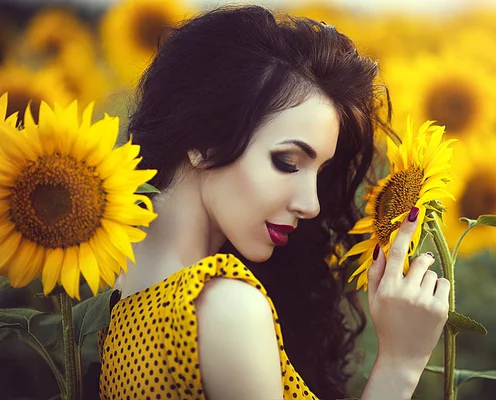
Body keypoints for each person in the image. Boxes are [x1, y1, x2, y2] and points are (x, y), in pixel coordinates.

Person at [98, 5, 450, 400]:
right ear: (202, 141)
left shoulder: (117, 284)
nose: (311, 205)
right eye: (287, 162)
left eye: (319, 171)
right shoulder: (226, 308)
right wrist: (401, 364)